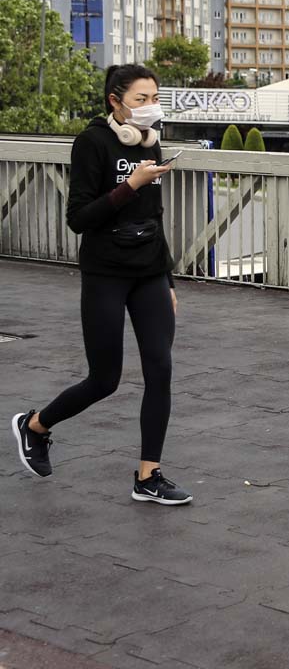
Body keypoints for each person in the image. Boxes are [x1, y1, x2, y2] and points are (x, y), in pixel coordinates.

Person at [10, 64, 192, 505]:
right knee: (104, 379)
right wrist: (131, 184)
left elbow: (154, 216)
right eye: (141, 99)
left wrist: (168, 279)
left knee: (160, 370)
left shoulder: (151, 141)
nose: (150, 107)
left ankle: (148, 476)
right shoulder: (92, 142)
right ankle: (34, 425)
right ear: (115, 101)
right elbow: (79, 218)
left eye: (155, 98)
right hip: (106, 273)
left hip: (149, 272)